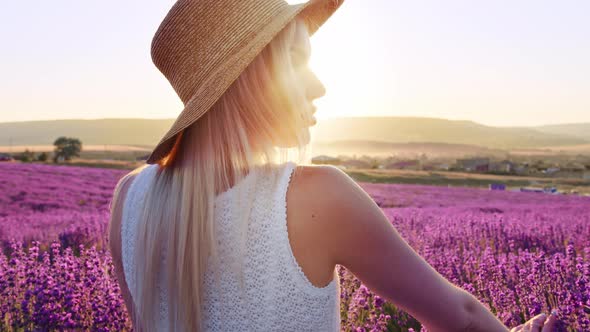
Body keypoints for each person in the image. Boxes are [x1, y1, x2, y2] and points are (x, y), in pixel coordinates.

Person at [107, 0, 562, 331]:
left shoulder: (130, 198)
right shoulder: (314, 197)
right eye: (296, 62)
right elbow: (459, 318)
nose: (319, 85)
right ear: (250, 79)